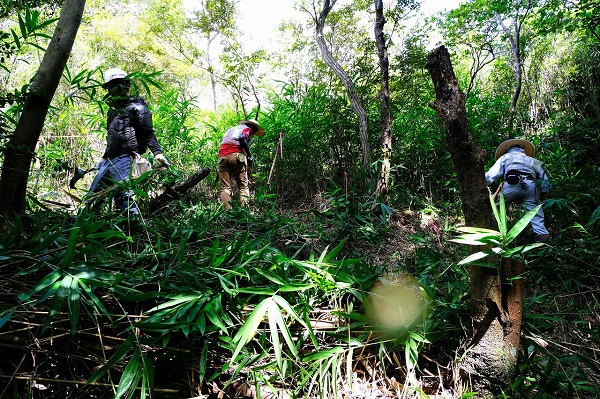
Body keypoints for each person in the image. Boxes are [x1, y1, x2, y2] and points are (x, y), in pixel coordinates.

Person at [87, 68, 169, 214]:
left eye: (114, 86)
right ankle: (91, 230)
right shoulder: (112, 110)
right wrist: (103, 158)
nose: (111, 91)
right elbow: (112, 136)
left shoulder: (137, 106)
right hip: (109, 160)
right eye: (109, 87)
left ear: (124, 85)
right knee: (92, 198)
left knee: (124, 197)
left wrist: (157, 153)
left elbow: (147, 131)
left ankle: (133, 230)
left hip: (125, 159)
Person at [485, 139, 551, 242]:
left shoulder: (505, 157)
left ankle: (492, 236)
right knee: (535, 215)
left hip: (512, 184)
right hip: (530, 186)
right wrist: (543, 193)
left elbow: (490, 177)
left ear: (508, 150)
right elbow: (544, 180)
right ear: (522, 150)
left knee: (489, 208)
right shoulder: (533, 160)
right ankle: (544, 243)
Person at [217, 119, 264, 209]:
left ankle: (228, 212)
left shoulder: (231, 130)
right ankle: (244, 213)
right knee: (243, 187)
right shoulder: (247, 129)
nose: (253, 134)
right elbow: (242, 137)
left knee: (225, 188)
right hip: (236, 155)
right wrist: (249, 154)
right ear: (252, 127)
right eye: (254, 132)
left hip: (222, 157)